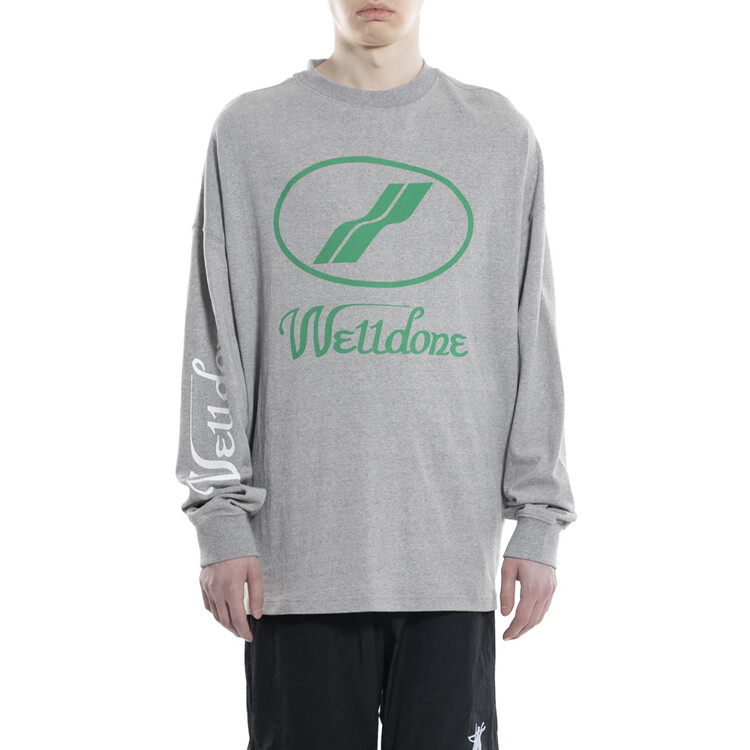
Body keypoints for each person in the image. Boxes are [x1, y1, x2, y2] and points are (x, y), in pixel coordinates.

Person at [175, 1, 577, 748]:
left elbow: (532, 333)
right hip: (295, 570)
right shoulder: (251, 133)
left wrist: (539, 516)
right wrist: (220, 516)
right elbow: (215, 334)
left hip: (450, 564)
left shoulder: (497, 136)